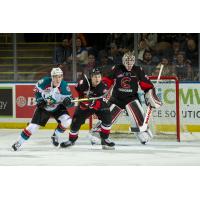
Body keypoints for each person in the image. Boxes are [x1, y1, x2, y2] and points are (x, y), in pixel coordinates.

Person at [90, 51, 162, 145]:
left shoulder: (137, 70)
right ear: (123, 61)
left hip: (131, 98)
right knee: (108, 116)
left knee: (137, 114)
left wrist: (150, 93)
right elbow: (107, 80)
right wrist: (100, 89)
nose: (129, 64)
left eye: (131, 62)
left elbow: (146, 84)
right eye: (127, 62)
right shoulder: (117, 68)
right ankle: (97, 133)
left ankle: (142, 131)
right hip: (117, 97)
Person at [12, 67, 74, 151]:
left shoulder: (64, 86)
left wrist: (69, 102)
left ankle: (55, 136)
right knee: (33, 127)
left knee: (67, 121)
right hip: (44, 108)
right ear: (51, 77)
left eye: (60, 76)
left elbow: (71, 101)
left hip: (58, 107)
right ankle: (19, 142)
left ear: (62, 77)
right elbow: (37, 91)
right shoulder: (44, 82)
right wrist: (39, 100)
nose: (57, 79)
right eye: (55, 76)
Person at [60, 68, 115, 150]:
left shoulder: (103, 87)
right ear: (91, 77)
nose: (97, 79)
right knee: (75, 120)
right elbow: (77, 92)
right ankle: (71, 140)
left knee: (108, 118)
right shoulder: (84, 83)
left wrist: (90, 103)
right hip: (84, 105)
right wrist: (69, 99)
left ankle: (105, 139)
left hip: (99, 105)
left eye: (99, 77)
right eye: (95, 77)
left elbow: (99, 103)